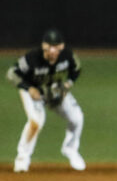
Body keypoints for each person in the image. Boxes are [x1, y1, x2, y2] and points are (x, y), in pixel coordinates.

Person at [7, 28, 86, 172]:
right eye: (50, 46)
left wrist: (67, 85)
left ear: (61, 47)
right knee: (36, 122)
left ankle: (71, 150)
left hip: (54, 90)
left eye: (56, 46)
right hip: (33, 92)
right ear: (44, 46)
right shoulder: (32, 58)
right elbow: (12, 73)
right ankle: (22, 159)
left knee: (77, 118)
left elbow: (77, 69)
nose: (53, 50)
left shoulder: (67, 56)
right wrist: (29, 88)